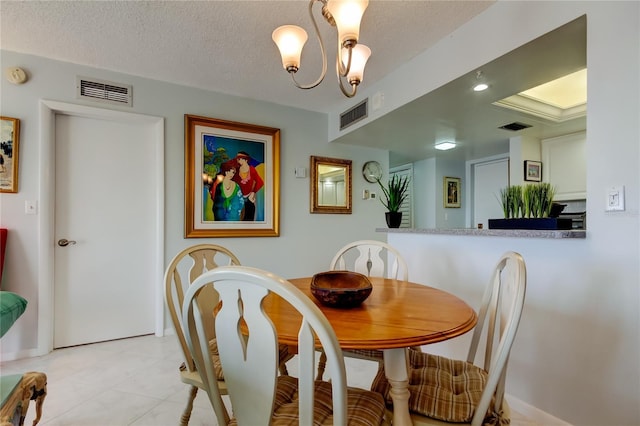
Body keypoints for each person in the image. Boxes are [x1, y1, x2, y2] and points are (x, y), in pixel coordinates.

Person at [232, 151, 264, 221]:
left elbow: (260, 182)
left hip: (249, 199)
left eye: (240, 158)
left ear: (246, 160)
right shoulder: (236, 171)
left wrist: (253, 192)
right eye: (237, 158)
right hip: (238, 200)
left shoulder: (252, 170)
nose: (238, 160)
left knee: (249, 219)